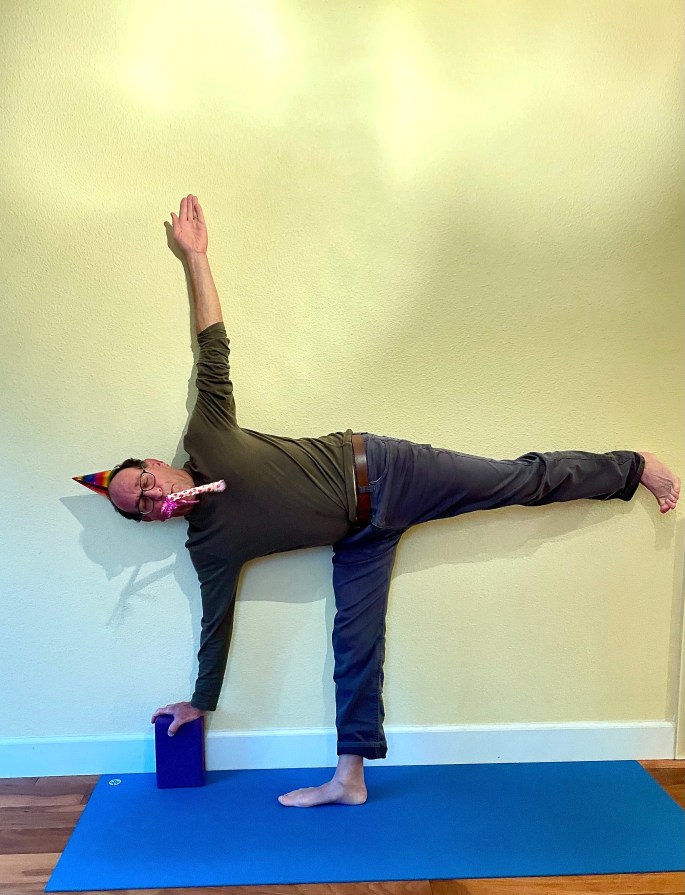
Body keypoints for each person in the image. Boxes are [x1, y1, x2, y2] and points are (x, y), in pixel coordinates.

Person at [75, 194, 681, 808]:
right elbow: (216, 627)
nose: (152, 497)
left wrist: (196, 258)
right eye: (141, 507)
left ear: (155, 465)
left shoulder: (206, 435)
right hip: (359, 539)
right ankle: (349, 779)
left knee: (517, 481)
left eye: (144, 483)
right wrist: (199, 702)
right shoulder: (210, 547)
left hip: (387, 471)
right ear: (152, 520)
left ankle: (633, 466)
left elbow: (213, 346)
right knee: (355, 647)